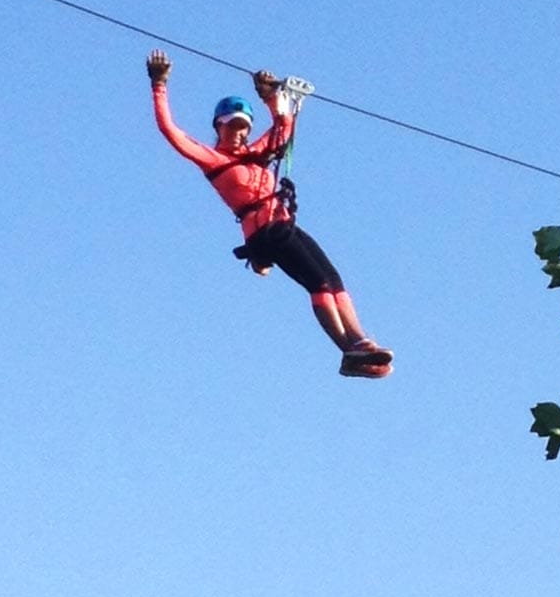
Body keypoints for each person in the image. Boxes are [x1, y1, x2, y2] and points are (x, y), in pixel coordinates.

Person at [146, 49, 393, 379]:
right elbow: (170, 131)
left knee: (334, 281)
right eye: (231, 125)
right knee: (318, 283)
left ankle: (359, 341)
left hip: (284, 225)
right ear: (218, 127)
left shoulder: (257, 152)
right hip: (265, 233)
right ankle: (348, 349)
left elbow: (284, 126)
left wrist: (269, 95)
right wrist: (159, 85)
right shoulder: (213, 159)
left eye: (242, 126)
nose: (237, 131)